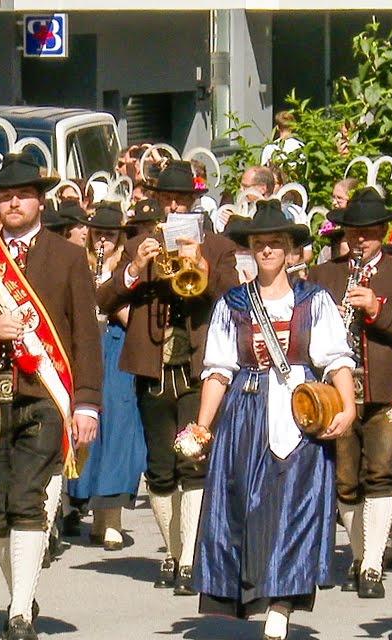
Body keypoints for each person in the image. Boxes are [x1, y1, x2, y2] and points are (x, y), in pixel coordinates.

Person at [0, 154, 102, 640]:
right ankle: (21, 597)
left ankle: (18, 615)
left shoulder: (68, 257)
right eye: (6, 196)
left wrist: (87, 404)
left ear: (40, 201)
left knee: (29, 500)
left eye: (23, 194)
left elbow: (85, 337)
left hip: (44, 397)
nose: (14, 202)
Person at [190, 200, 356, 640]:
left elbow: (335, 359)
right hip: (246, 411)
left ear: (290, 250)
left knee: (295, 508)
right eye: (259, 243)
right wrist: (203, 426)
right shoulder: (233, 304)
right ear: (250, 249)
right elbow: (219, 369)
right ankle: (253, 592)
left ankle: (282, 606)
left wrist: (349, 405)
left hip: (303, 411)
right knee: (249, 506)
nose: (267, 250)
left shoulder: (314, 301)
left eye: (275, 243)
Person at [96, 161, 238, 594]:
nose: (174, 206)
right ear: (157, 201)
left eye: (182, 200)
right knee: (159, 470)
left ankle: (192, 559)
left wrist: (202, 267)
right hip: (152, 371)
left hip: (197, 370)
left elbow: (233, 299)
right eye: (167, 200)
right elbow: (103, 298)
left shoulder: (218, 246)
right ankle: (174, 552)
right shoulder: (143, 243)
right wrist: (134, 269)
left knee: (192, 462)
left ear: (195, 202)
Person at [310, 188, 392, 598]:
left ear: (384, 231)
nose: (362, 239)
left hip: (386, 389)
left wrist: (378, 310)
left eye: (371, 231)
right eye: (355, 231)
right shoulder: (324, 275)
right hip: (337, 393)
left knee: (379, 473)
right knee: (345, 481)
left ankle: (373, 566)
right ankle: (359, 555)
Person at [68, 201, 146, 549]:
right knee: (87, 428)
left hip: (117, 347)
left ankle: (111, 518)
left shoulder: (132, 269)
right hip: (85, 349)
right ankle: (87, 510)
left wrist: (111, 299)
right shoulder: (76, 264)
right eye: (98, 233)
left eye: (110, 234)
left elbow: (138, 322)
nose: (103, 240)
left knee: (118, 428)